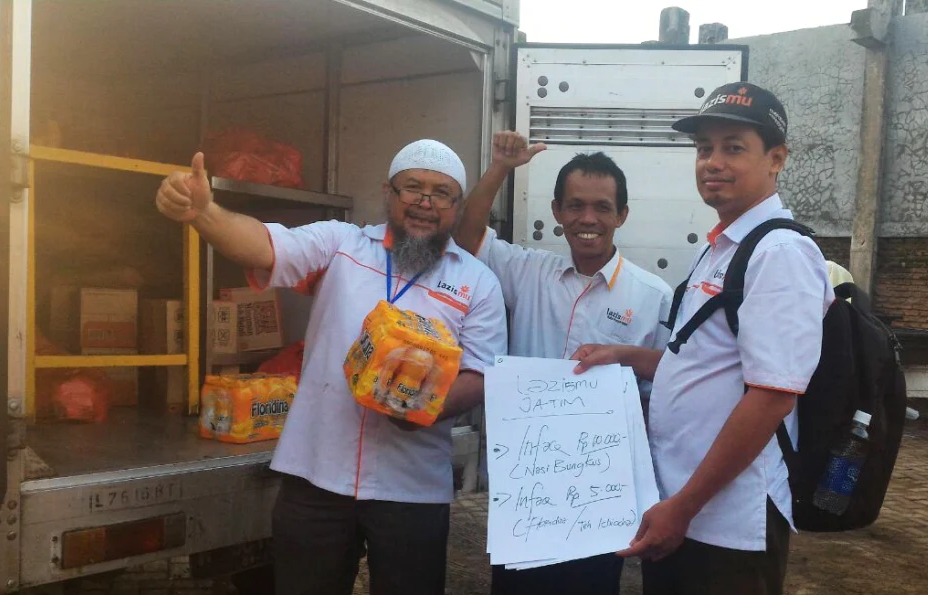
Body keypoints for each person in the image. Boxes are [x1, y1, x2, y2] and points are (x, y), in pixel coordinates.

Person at [155, 140, 508, 595]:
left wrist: (419, 408)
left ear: (458, 207)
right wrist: (205, 213)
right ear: (388, 192)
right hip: (315, 479)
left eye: (442, 193)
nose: (425, 202)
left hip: (412, 488)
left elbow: (479, 375)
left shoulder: (476, 282)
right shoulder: (341, 245)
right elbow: (264, 247)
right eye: (412, 188)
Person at [572, 83, 835, 595]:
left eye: (733, 147)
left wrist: (684, 507)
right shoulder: (723, 247)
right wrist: (625, 356)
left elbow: (772, 396)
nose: (712, 162)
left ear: (776, 158)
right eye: (703, 149)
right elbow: (704, 364)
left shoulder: (779, 252)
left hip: (726, 523)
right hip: (683, 509)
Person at [454, 131, 673, 595]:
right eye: (574, 206)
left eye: (602, 207)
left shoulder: (653, 295)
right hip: (524, 489)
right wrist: (499, 168)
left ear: (622, 215)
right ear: (556, 212)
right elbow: (465, 239)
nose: (587, 219)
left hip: (601, 494)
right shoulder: (526, 270)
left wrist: (626, 357)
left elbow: (670, 383)